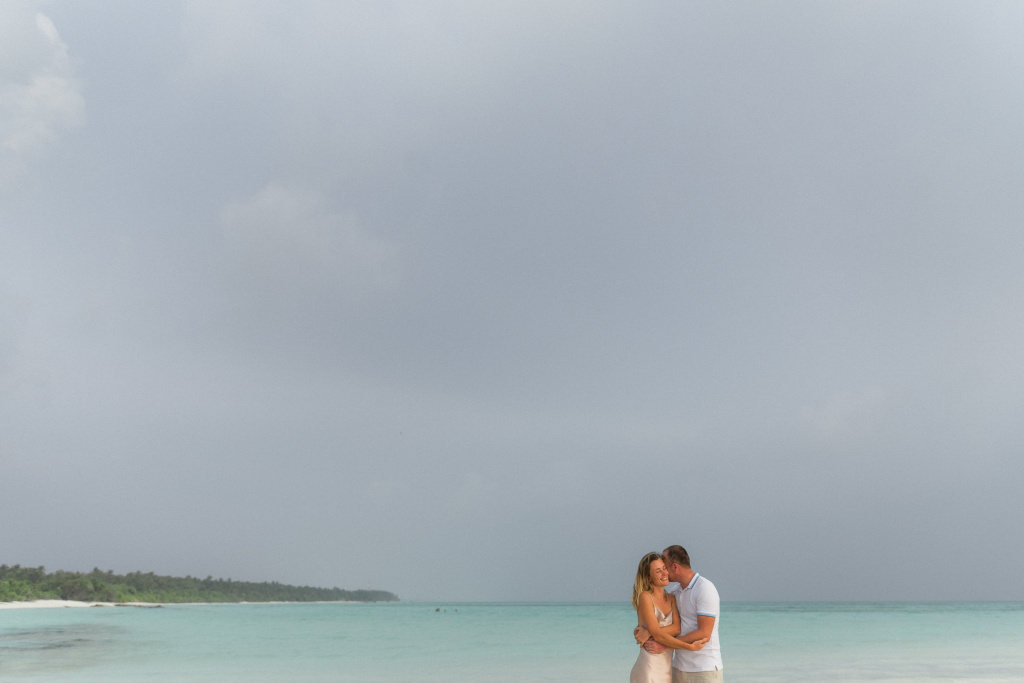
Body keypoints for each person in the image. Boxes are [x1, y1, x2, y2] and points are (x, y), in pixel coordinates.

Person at [634, 545, 724, 682]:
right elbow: (660, 627)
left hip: (704, 668)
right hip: (677, 668)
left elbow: (703, 633)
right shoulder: (675, 592)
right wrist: (650, 631)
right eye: (658, 570)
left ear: (675, 567)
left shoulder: (705, 589)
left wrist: (659, 641)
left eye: (664, 567)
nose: (664, 572)